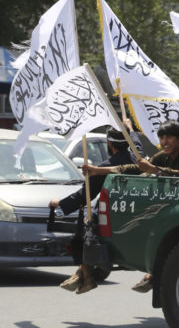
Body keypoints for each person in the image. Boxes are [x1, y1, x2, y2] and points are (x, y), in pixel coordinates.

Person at [83, 120, 179, 292]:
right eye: (162, 138)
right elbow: (135, 168)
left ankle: (154, 275)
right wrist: (97, 170)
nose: (165, 142)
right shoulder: (163, 155)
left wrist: (155, 170)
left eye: (169, 137)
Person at [49, 120, 144, 294]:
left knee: (81, 234)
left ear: (109, 144)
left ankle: (85, 274)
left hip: (112, 216)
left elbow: (84, 195)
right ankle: (82, 274)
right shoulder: (139, 158)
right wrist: (130, 129)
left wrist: (59, 204)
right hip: (138, 212)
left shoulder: (104, 167)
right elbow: (136, 144)